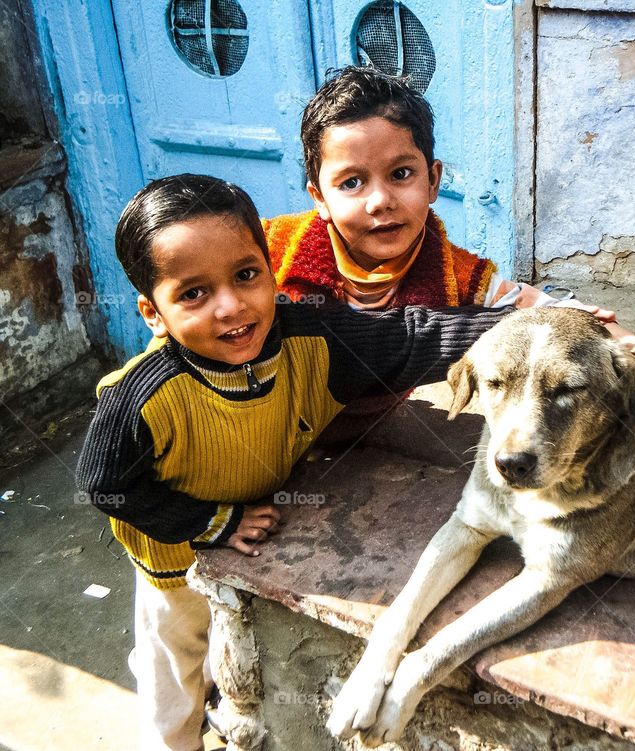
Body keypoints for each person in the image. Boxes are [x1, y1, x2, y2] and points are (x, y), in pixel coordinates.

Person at [75, 174, 516, 751]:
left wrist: (528, 329)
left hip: (262, 531)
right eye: (193, 294)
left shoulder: (309, 334)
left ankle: (225, 704)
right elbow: (104, 486)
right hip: (174, 557)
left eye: (246, 275)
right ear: (152, 313)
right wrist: (216, 522)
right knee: (174, 666)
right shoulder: (141, 396)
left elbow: (411, 339)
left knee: (234, 650)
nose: (231, 306)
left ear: (268, 269)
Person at [262, 65, 635, 447]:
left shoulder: (457, 275)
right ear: (319, 197)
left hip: (352, 440)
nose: (380, 201)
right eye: (352, 182)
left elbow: (549, 313)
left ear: (432, 181)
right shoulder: (267, 254)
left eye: (401, 174)